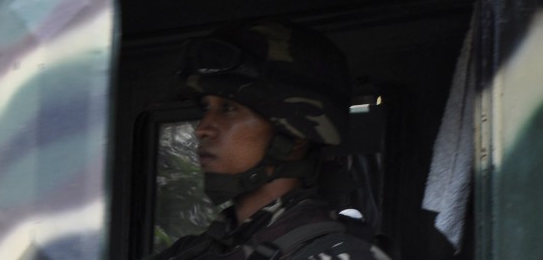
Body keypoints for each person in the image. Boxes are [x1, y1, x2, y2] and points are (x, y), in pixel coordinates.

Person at [147, 21, 389, 260]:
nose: (202, 129)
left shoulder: (339, 254)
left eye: (228, 108)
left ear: (294, 135)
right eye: (205, 109)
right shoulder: (195, 250)